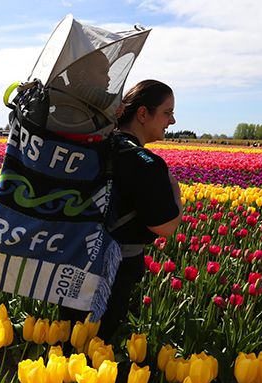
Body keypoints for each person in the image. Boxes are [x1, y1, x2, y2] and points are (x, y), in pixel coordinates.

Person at [60, 79, 183, 341]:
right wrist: (176, 193)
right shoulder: (146, 163)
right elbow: (165, 227)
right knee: (97, 344)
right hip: (114, 271)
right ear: (142, 114)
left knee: (69, 337)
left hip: (72, 259)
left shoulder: (93, 147)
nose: (171, 121)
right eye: (167, 112)